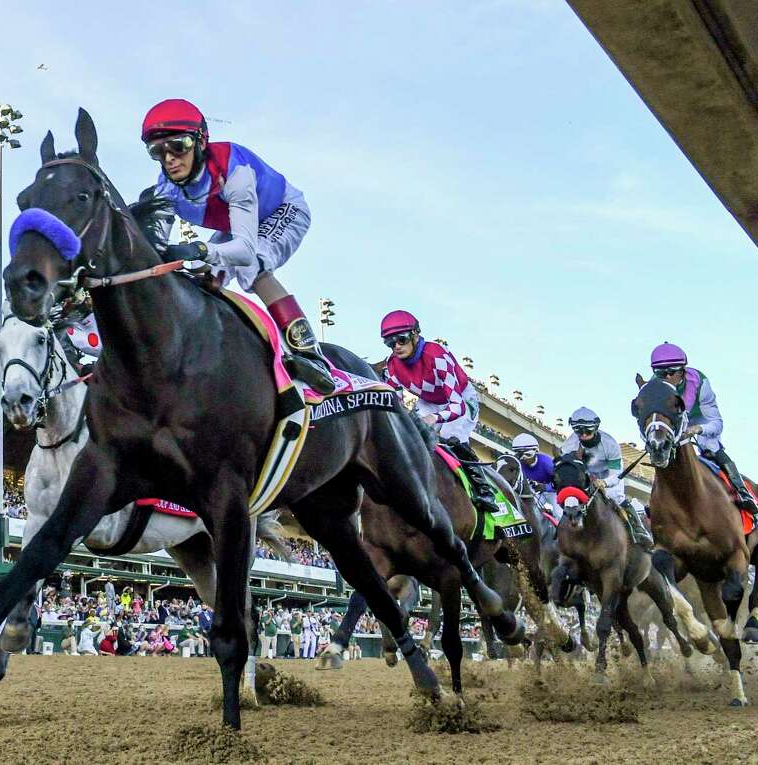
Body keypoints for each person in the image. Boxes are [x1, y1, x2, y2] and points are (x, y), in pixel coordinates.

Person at [141, 98, 335, 395]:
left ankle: (311, 354)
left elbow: (243, 249)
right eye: (158, 150)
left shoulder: (234, 170)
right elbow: (153, 253)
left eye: (178, 146)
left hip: (281, 210)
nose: (169, 158)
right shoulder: (165, 188)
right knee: (204, 279)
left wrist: (200, 250)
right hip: (236, 224)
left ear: (201, 141)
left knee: (251, 266)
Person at [379, 310, 499, 513]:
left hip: (460, 398)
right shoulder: (392, 367)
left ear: (416, 334)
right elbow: (396, 407)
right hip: (428, 401)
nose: (396, 347)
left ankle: (483, 489)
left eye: (401, 339)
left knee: (450, 436)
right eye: (390, 343)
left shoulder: (437, 356)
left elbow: (457, 406)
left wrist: (434, 418)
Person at [649, 343, 758, 520]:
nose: (668, 376)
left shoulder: (700, 382)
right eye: (661, 373)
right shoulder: (653, 387)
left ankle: (742, 492)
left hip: (699, 419)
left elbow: (716, 423)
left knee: (710, 447)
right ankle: (656, 499)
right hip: (673, 423)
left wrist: (698, 429)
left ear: (683, 370)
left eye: (672, 371)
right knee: (659, 448)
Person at [559, 407, 653, 549]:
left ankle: (638, 530)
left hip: (608, 475)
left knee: (616, 497)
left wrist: (604, 482)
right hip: (585, 475)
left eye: (588, 431)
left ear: (596, 428)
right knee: (571, 500)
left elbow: (616, 476)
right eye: (579, 431)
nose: (583, 435)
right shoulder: (568, 446)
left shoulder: (610, 444)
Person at [512, 433, 561, 521]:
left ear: (536, 451)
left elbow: (561, 482)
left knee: (558, 514)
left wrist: (546, 487)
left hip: (552, 492)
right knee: (528, 512)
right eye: (520, 455)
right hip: (536, 492)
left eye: (527, 454)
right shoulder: (519, 465)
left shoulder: (547, 463)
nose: (524, 458)